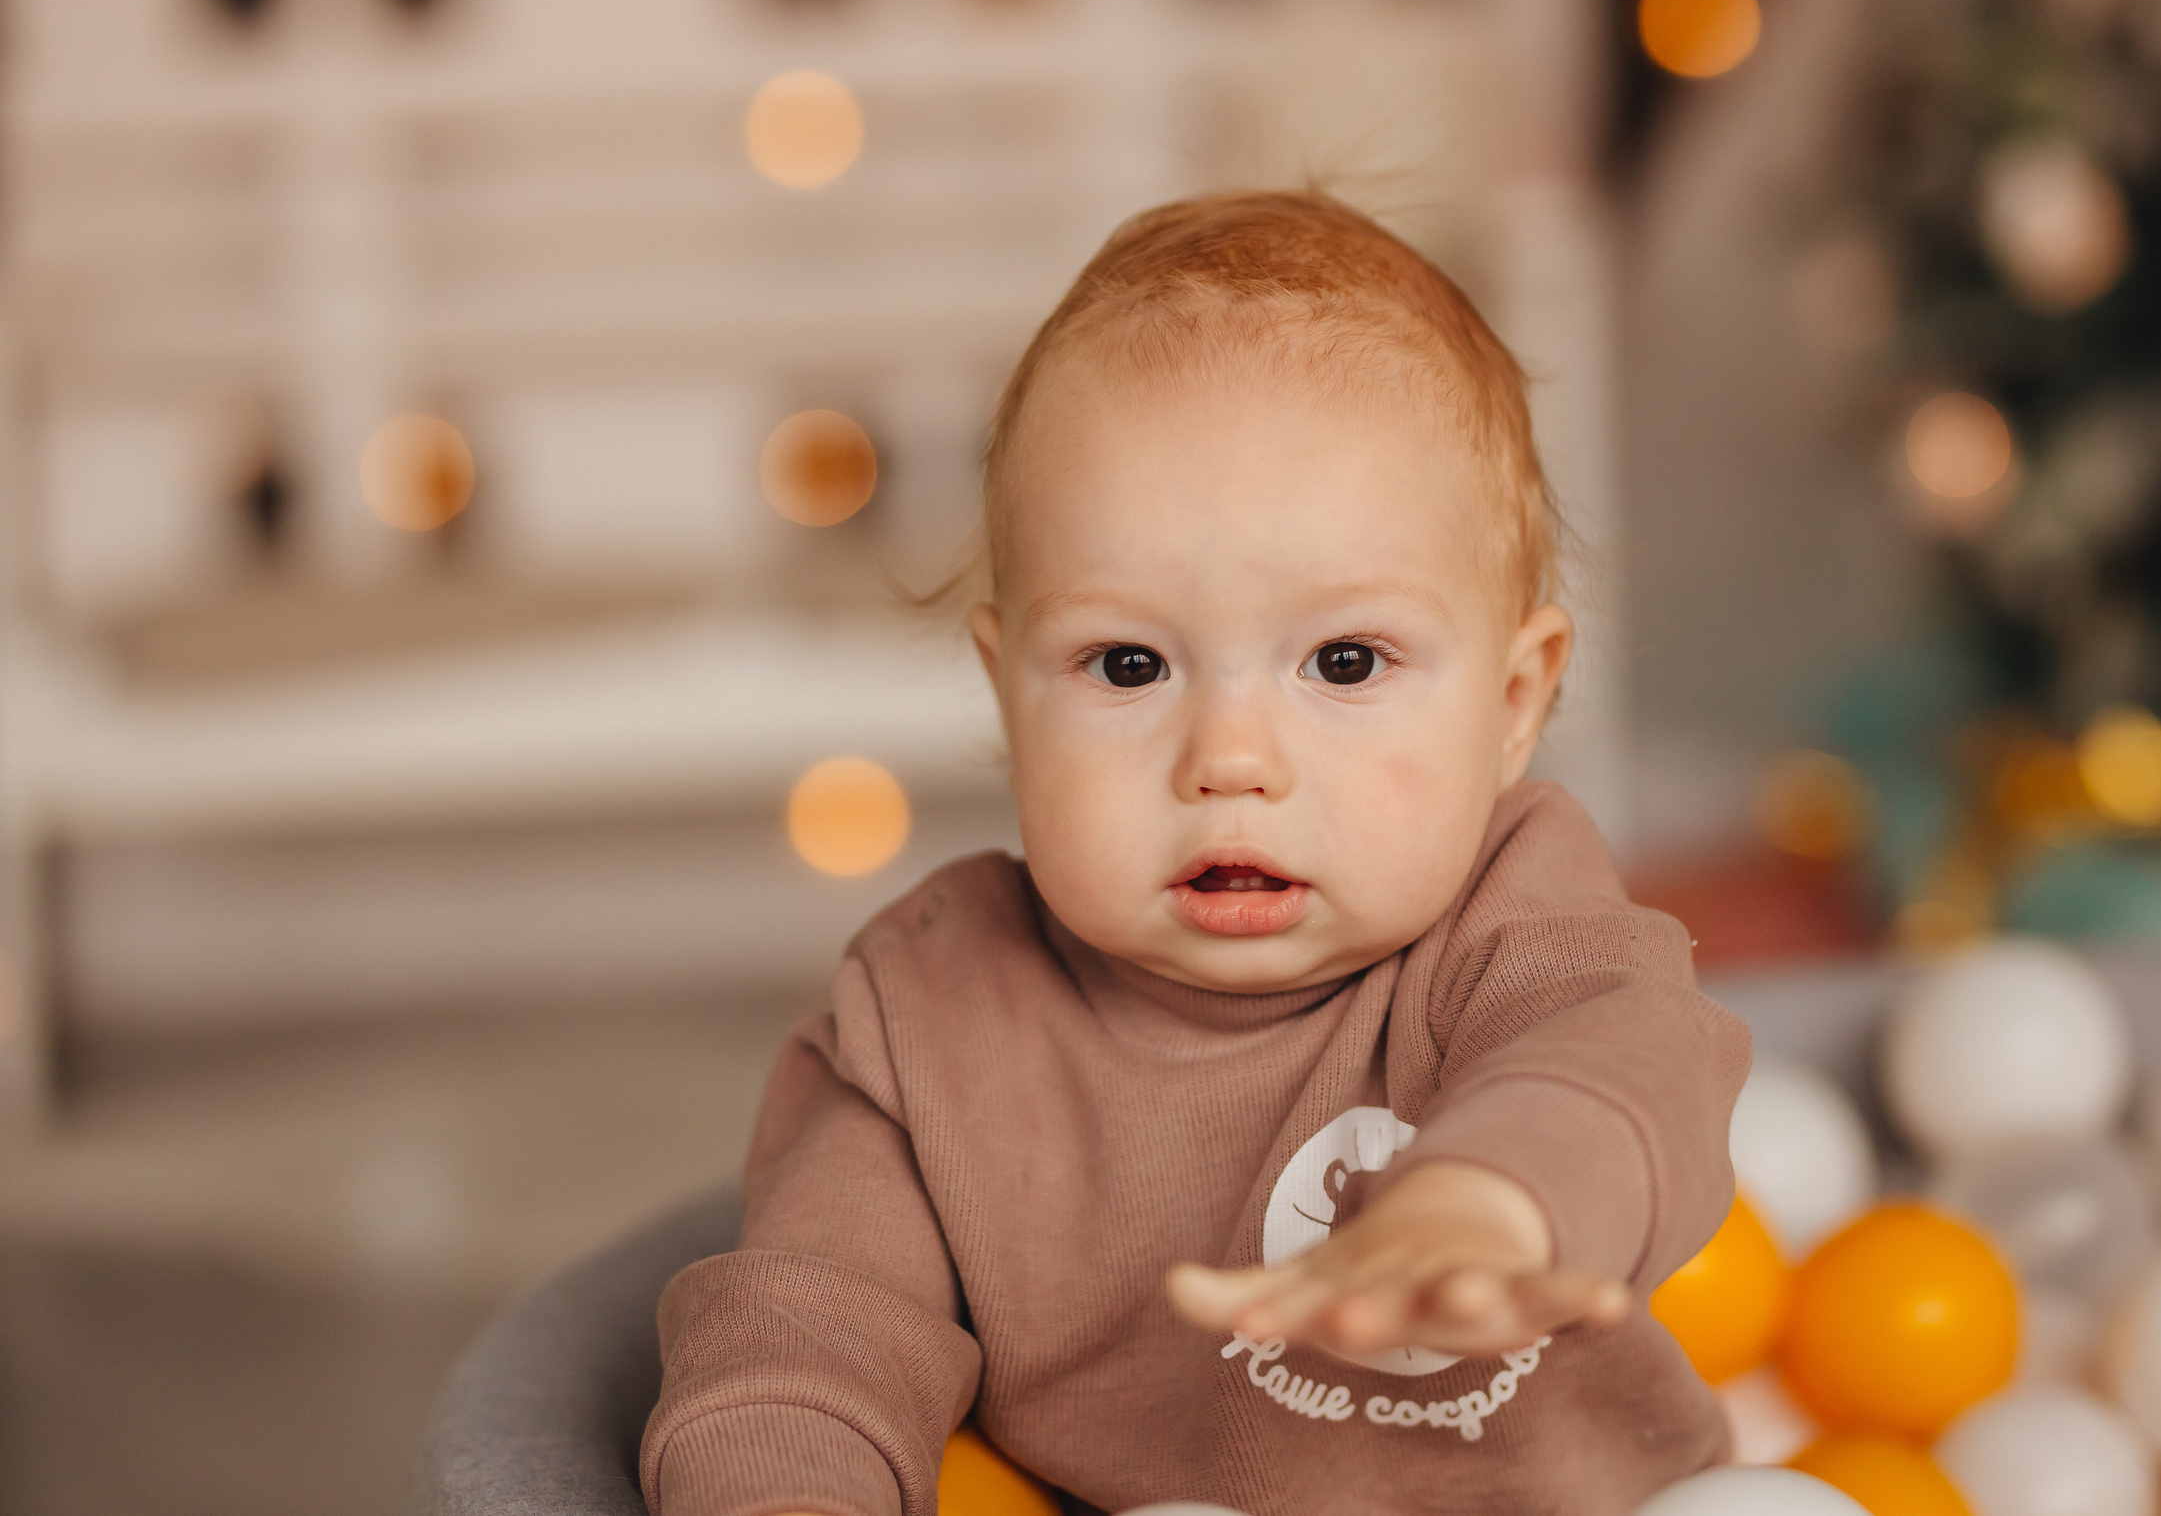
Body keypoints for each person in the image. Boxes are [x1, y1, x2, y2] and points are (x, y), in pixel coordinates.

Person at [640, 191, 1751, 1516]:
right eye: (1128, 664)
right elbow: (807, 1332)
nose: (1230, 757)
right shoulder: (929, 1020)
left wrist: (1491, 1202)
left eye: (1344, 662)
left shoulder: (1518, 923)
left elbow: (1628, 1063)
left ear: (1516, 704)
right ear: (1008, 695)